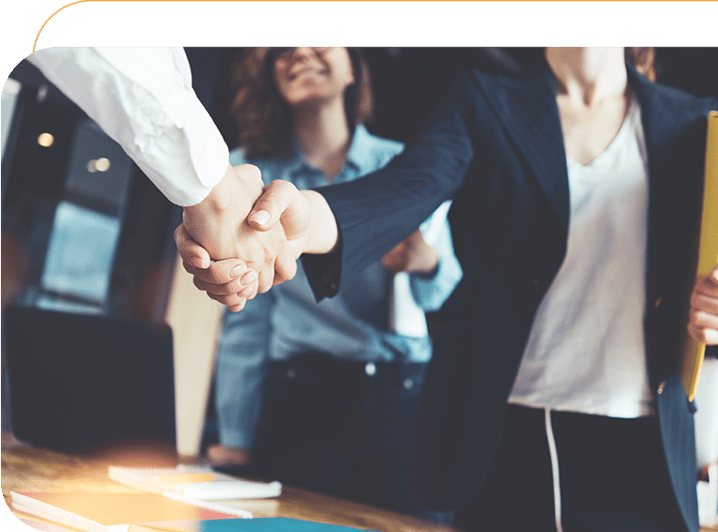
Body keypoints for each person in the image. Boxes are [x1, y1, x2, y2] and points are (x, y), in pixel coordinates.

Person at [178, 47, 718, 532]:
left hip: (642, 440)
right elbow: (406, 188)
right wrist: (309, 217)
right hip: (504, 434)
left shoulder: (693, 121)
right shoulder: (485, 99)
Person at [205, 47, 461, 522]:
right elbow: (246, 320)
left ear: (353, 69)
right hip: (303, 398)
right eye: (282, 48)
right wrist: (235, 435)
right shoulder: (249, 179)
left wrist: (427, 264)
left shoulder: (406, 168)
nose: (301, 50)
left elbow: (440, 296)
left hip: (401, 397)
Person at [25, 46, 287, 297]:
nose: (303, 52)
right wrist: (219, 196)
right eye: (285, 46)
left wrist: (219, 193)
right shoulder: (242, 162)